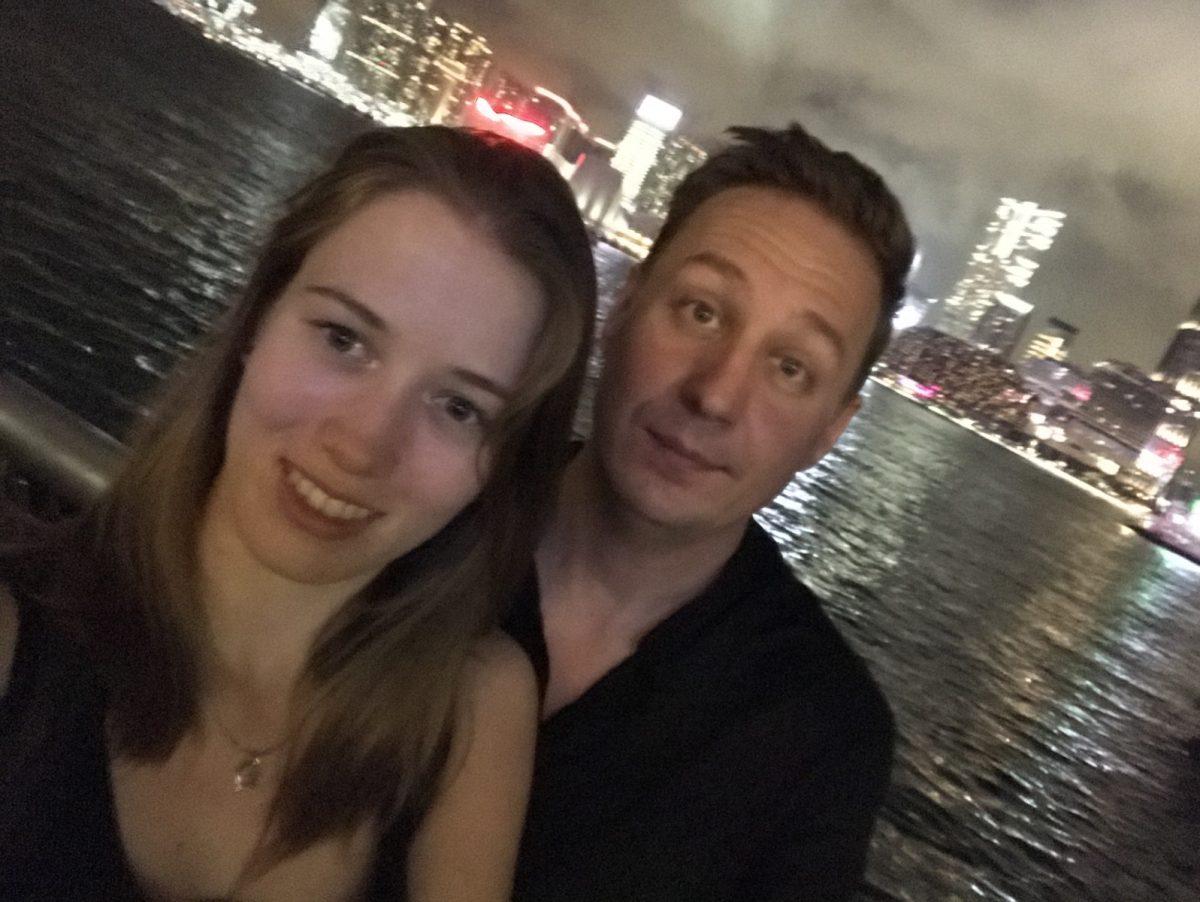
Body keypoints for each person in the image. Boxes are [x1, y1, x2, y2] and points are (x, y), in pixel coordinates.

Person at [0, 125, 596, 900]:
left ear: (502, 467)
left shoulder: (469, 713)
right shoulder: (18, 634)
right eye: (343, 339)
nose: (363, 446)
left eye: (458, 407)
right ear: (256, 320)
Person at [503, 123, 915, 901]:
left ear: (830, 430)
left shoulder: (820, 736)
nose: (717, 394)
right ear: (624, 306)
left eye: (790, 367)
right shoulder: (431, 501)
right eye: (701, 311)